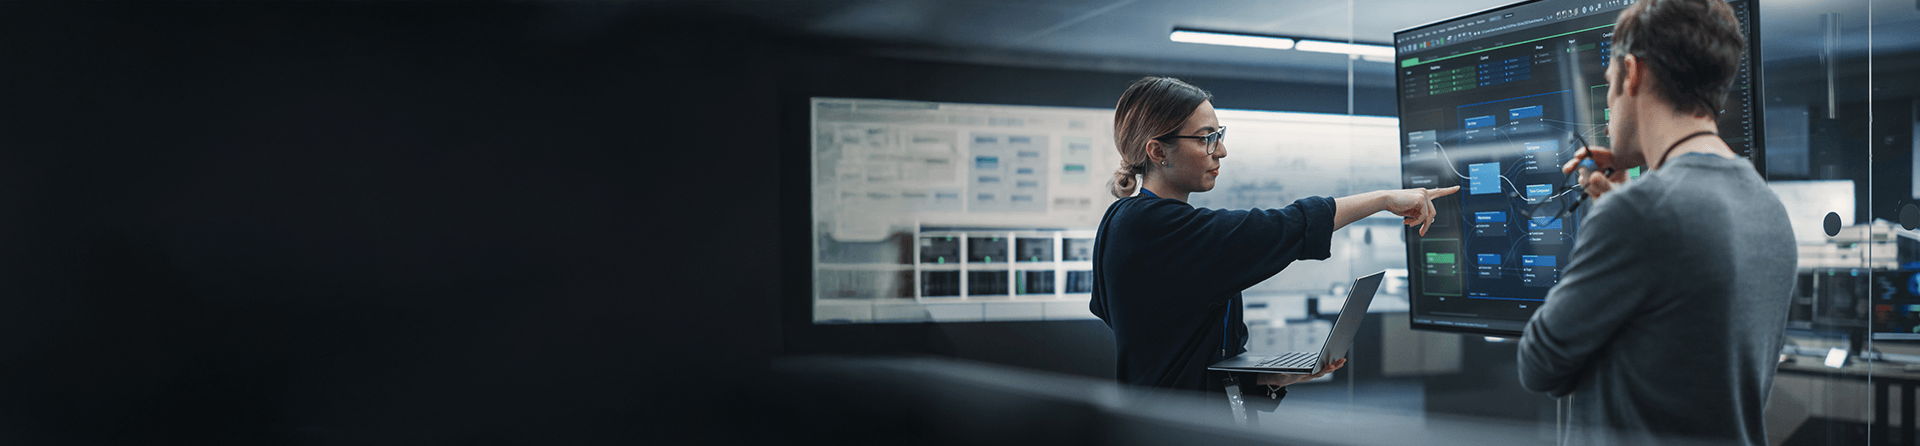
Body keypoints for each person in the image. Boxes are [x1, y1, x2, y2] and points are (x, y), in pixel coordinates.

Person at [1516, 0, 1797, 444]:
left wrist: (1617, 213)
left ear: (1632, 73)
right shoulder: (1768, 208)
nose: (1609, 108)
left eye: (1609, 86)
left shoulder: (1637, 215)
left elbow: (1538, 364)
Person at [1088, 76, 1458, 412]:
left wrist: (1268, 377)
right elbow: (1280, 228)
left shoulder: (1133, 223)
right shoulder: (1146, 225)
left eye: (1220, 134)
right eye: (1206, 138)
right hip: (1170, 429)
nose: (1221, 151)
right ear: (1158, 151)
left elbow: (1172, 340)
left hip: (1196, 422)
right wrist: (1382, 199)